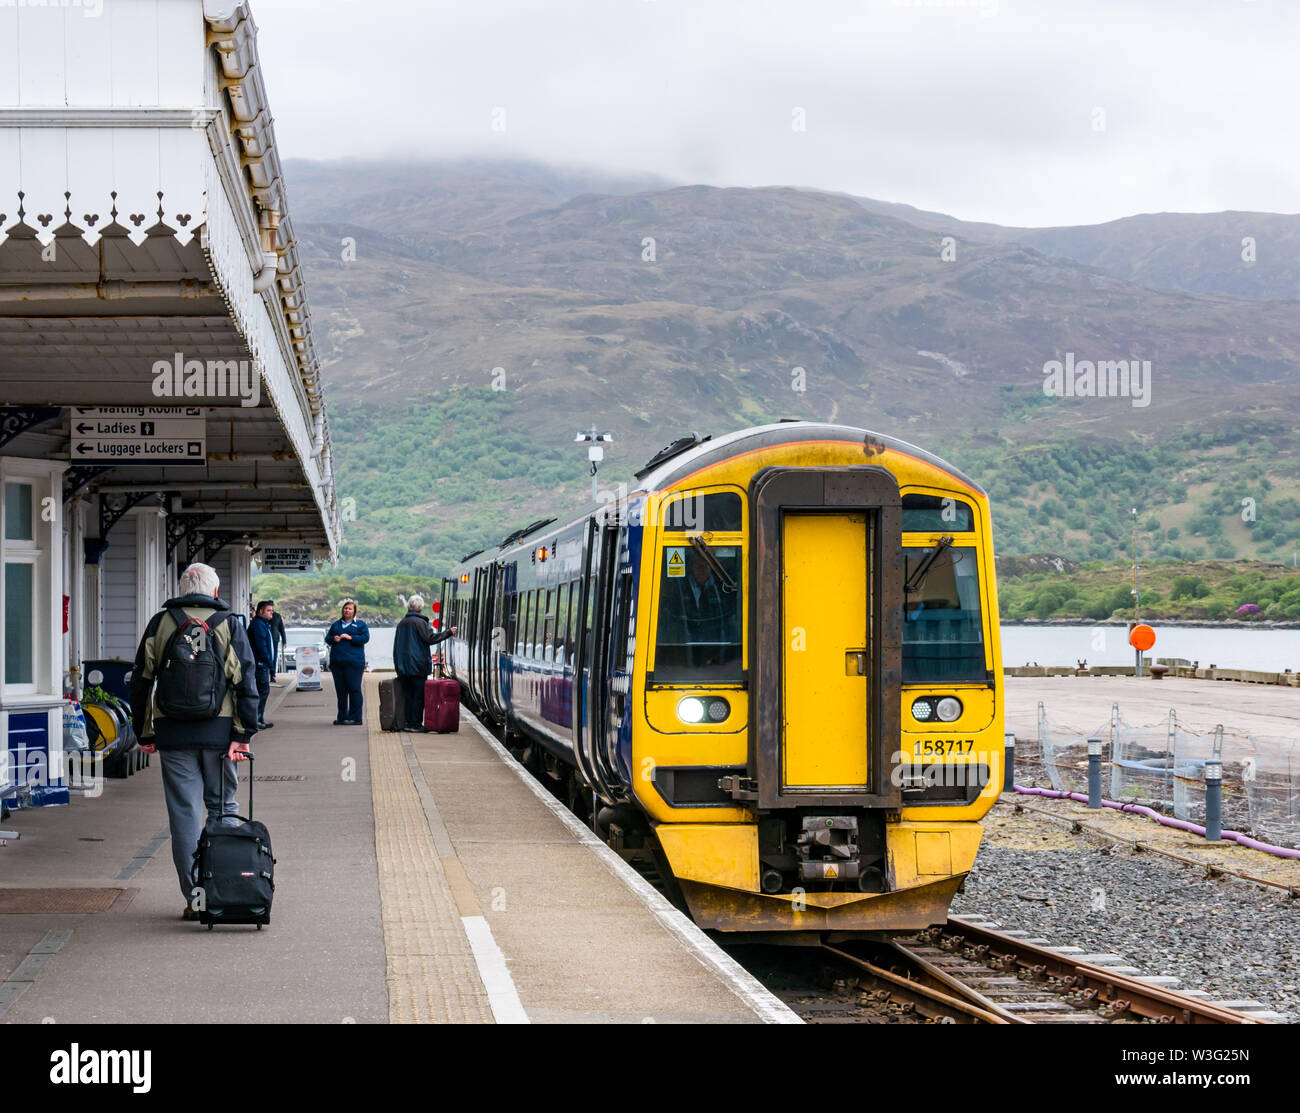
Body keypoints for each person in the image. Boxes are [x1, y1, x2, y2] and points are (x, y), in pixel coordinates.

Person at [128, 562, 260, 921]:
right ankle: (230, 891)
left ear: (184, 589)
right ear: (214, 591)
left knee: (184, 815)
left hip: (173, 733)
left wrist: (144, 732)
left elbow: (141, 680)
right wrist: (242, 735)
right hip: (219, 735)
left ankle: (196, 898)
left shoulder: (162, 622)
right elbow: (246, 681)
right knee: (223, 808)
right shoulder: (229, 623)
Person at [393, 595, 456, 733]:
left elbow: (397, 646)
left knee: (408, 695)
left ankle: (408, 722)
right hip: (417, 666)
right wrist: (448, 632)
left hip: (403, 667)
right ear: (420, 608)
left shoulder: (402, 623)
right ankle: (415, 724)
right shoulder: (420, 623)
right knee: (418, 696)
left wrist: (398, 665)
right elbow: (430, 638)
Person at [326, 599, 369, 725]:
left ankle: (355, 717)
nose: (347, 610)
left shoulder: (360, 625)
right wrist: (333, 638)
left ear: (354, 612)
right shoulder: (336, 625)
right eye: (345, 608)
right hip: (337, 663)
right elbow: (327, 639)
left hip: (354, 663)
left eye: (350, 609)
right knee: (341, 691)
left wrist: (350, 638)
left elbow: (365, 638)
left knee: (354, 689)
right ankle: (342, 716)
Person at [248, 600, 276, 729]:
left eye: (272, 611)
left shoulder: (264, 624)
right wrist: (268, 662)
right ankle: (257, 719)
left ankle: (259, 718)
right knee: (261, 692)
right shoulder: (258, 625)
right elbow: (261, 646)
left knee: (263, 692)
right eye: (269, 611)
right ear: (261, 611)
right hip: (260, 664)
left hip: (262, 663)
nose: (272, 613)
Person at [269, 604, 287, 686]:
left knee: (274, 657)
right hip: (266, 639)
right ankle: (267, 674)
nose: (271, 609)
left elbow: (282, 629)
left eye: (272, 607)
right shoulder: (266, 616)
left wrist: (284, 641)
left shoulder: (277, 616)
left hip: (275, 639)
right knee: (267, 656)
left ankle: (272, 675)